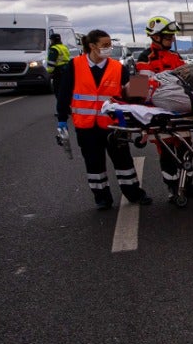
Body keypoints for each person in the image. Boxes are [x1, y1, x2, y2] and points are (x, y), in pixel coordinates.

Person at [54, 29, 152, 210]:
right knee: (94, 163)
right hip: (86, 126)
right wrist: (61, 120)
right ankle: (102, 198)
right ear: (92, 46)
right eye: (105, 45)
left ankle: (134, 193)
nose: (109, 48)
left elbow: (134, 95)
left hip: (113, 125)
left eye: (110, 45)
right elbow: (64, 94)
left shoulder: (118, 67)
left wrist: (143, 120)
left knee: (123, 162)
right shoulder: (74, 66)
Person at [134, 16, 193, 199]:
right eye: (168, 36)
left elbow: (187, 80)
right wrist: (142, 123)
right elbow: (139, 91)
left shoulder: (176, 57)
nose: (172, 39)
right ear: (155, 36)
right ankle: (173, 188)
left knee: (186, 149)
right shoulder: (144, 59)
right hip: (160, 115)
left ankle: (188, 185)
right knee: (166, 153)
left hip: (181, 113)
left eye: (172, 36)